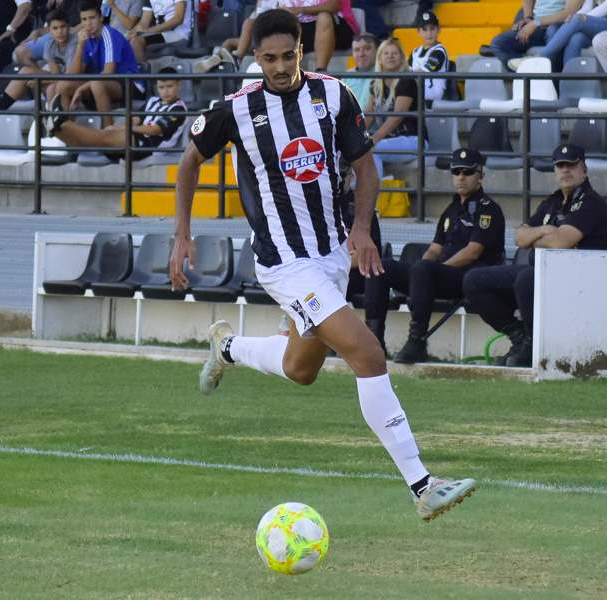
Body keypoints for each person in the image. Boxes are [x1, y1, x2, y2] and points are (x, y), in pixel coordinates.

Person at [168, 8, 477, 523]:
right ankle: (423, 485)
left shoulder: (334, 94)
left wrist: (360, 228)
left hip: (332, 252)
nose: (281, 66)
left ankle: (227, 346)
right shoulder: (236, 109)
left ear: (301, 50)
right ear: (256, 58)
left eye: (289, 55)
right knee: (367, 352)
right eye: (269, 58)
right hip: (285, 262)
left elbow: (365, 165)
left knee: (301, 368)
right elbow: (188, 161)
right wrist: (182, 234)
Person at [462, 143, 607, 368]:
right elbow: (519, 237)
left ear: (584, 169)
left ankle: (534, 346)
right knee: (475, 280)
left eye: (571, 165)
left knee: (528, 279)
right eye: (560, 166)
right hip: (552, 274)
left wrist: (543, 238)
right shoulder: (553, 202)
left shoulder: (590, 202)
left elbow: (559, 241)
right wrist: (547, 231)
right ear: (554, 172)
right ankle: (519, 337)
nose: (565, 170)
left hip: (584, 280)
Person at [363, 147, 506, 364]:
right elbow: (435, 249)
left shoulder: (489, 210)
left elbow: (473, 252)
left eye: (468, 172)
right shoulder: (451, 209)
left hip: (468, 279)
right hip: (439, 275)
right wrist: (418, 273)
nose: (461, 177)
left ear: (481, 176)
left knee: (424, 269)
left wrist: (435, 270)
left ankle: (417, 341)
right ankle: (373, 342)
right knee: (381, 267)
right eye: (456, 171)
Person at [44, 65, 185, 160]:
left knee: (102, 137)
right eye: (161, 87)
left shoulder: (179, 109)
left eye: (169, 86)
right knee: (100, 139)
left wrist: (124, 128)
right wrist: (119, 127)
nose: (165, 91)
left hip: (149, 147)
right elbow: (134, 118)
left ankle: (60, 122)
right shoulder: (153, 101)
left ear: (179, 86)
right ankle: (57, 130)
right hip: (135, 140)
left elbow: (154, 130)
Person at [53, 0, 142, 127]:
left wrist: (82, 88)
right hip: (105, 83)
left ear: (101, 17)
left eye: (92, 18)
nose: (88, 23)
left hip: (130, 82)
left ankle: (108, 134)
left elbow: (108, 73)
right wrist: (80, 45)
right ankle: (67, 132)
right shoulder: (86, 38)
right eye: (84, 19)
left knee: (96, 85)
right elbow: (74, 74)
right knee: (62, 86)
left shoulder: (109, 34)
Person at [0, 9, 77, 112]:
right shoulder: (50, 44)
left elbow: (69, 76)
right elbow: (55, 74)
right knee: (25, 72)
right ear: (49, 30)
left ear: (69, 26)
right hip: (60, 80)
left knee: (48, 87)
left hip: (75, 83)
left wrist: (38, 80)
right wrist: (39, 79)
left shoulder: (74, 43)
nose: (60, 32)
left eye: (63, 27)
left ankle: (49, 120)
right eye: (55, 28)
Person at [364, 38, 424, 181]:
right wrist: (353, 136)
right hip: (389, 139)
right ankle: (353, 199)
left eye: (395, 53)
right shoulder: (375, 83)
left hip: (414, 139)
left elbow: (397, 117)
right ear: (380, 59)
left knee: (372, 151)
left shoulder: (407, 80)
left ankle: (372, 201)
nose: (390, 56)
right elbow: (369, 116)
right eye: (386, 53)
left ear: (402, 58)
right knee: (351, 150)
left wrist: (374, 139)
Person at [489, 0, 583, 71]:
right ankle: (528, 81)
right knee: (499, 44)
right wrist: (528, 18)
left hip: (561, 25)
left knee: (553, 31)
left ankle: (555, 86)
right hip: (537, 26)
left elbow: (569, 13)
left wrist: (535, 23)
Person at [529, 0, 607, 70]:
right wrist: (577, 16)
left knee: (577, 20)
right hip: (596, 23)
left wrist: (580, 18)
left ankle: (541, 55)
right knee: (576, 38)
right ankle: (570, 86)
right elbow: (586, 9)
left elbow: (605, 9)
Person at [277, 0, 359, 71]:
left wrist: (299, 9)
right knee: (281, 22)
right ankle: (287, 74)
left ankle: (320, 72)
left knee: (324, 16)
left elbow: (332, 6)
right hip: (304, 30)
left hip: (338, 27)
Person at [127, 0, 196, 63]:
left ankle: (142, 75)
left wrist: (150, 30)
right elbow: (144, 23)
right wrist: (128, 35)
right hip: (160, 34)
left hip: (179, 35)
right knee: (125, 42)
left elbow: (178, 19)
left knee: (136, 41)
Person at [407, 10, 448, 104]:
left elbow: (423, 72)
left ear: (439, 29)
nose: (429, 33)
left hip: (432, 99)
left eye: (432, 28)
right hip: (416, 96)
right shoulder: (415, 52)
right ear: (418, 32)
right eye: (424, 29)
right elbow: (407, 71)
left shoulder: (439, 52)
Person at [344, 31, 375, 109]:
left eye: (367, 49)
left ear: (378, 50)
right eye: (357, 50)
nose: (361, 54)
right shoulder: (346, 76)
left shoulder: (384, 74)